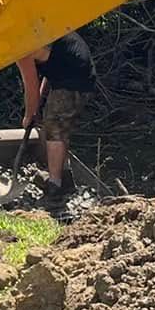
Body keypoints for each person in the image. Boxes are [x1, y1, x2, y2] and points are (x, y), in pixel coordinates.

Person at [16, 30, 95, 204]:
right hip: (81, 73)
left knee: (54, 127)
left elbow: (30, 86)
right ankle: (64, 178)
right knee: (59, 126)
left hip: (73, 80)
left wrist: (29, 115)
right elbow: (50, 69)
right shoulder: (39, 28)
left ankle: (55, 186)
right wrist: (41, 97)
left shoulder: (19, 47)